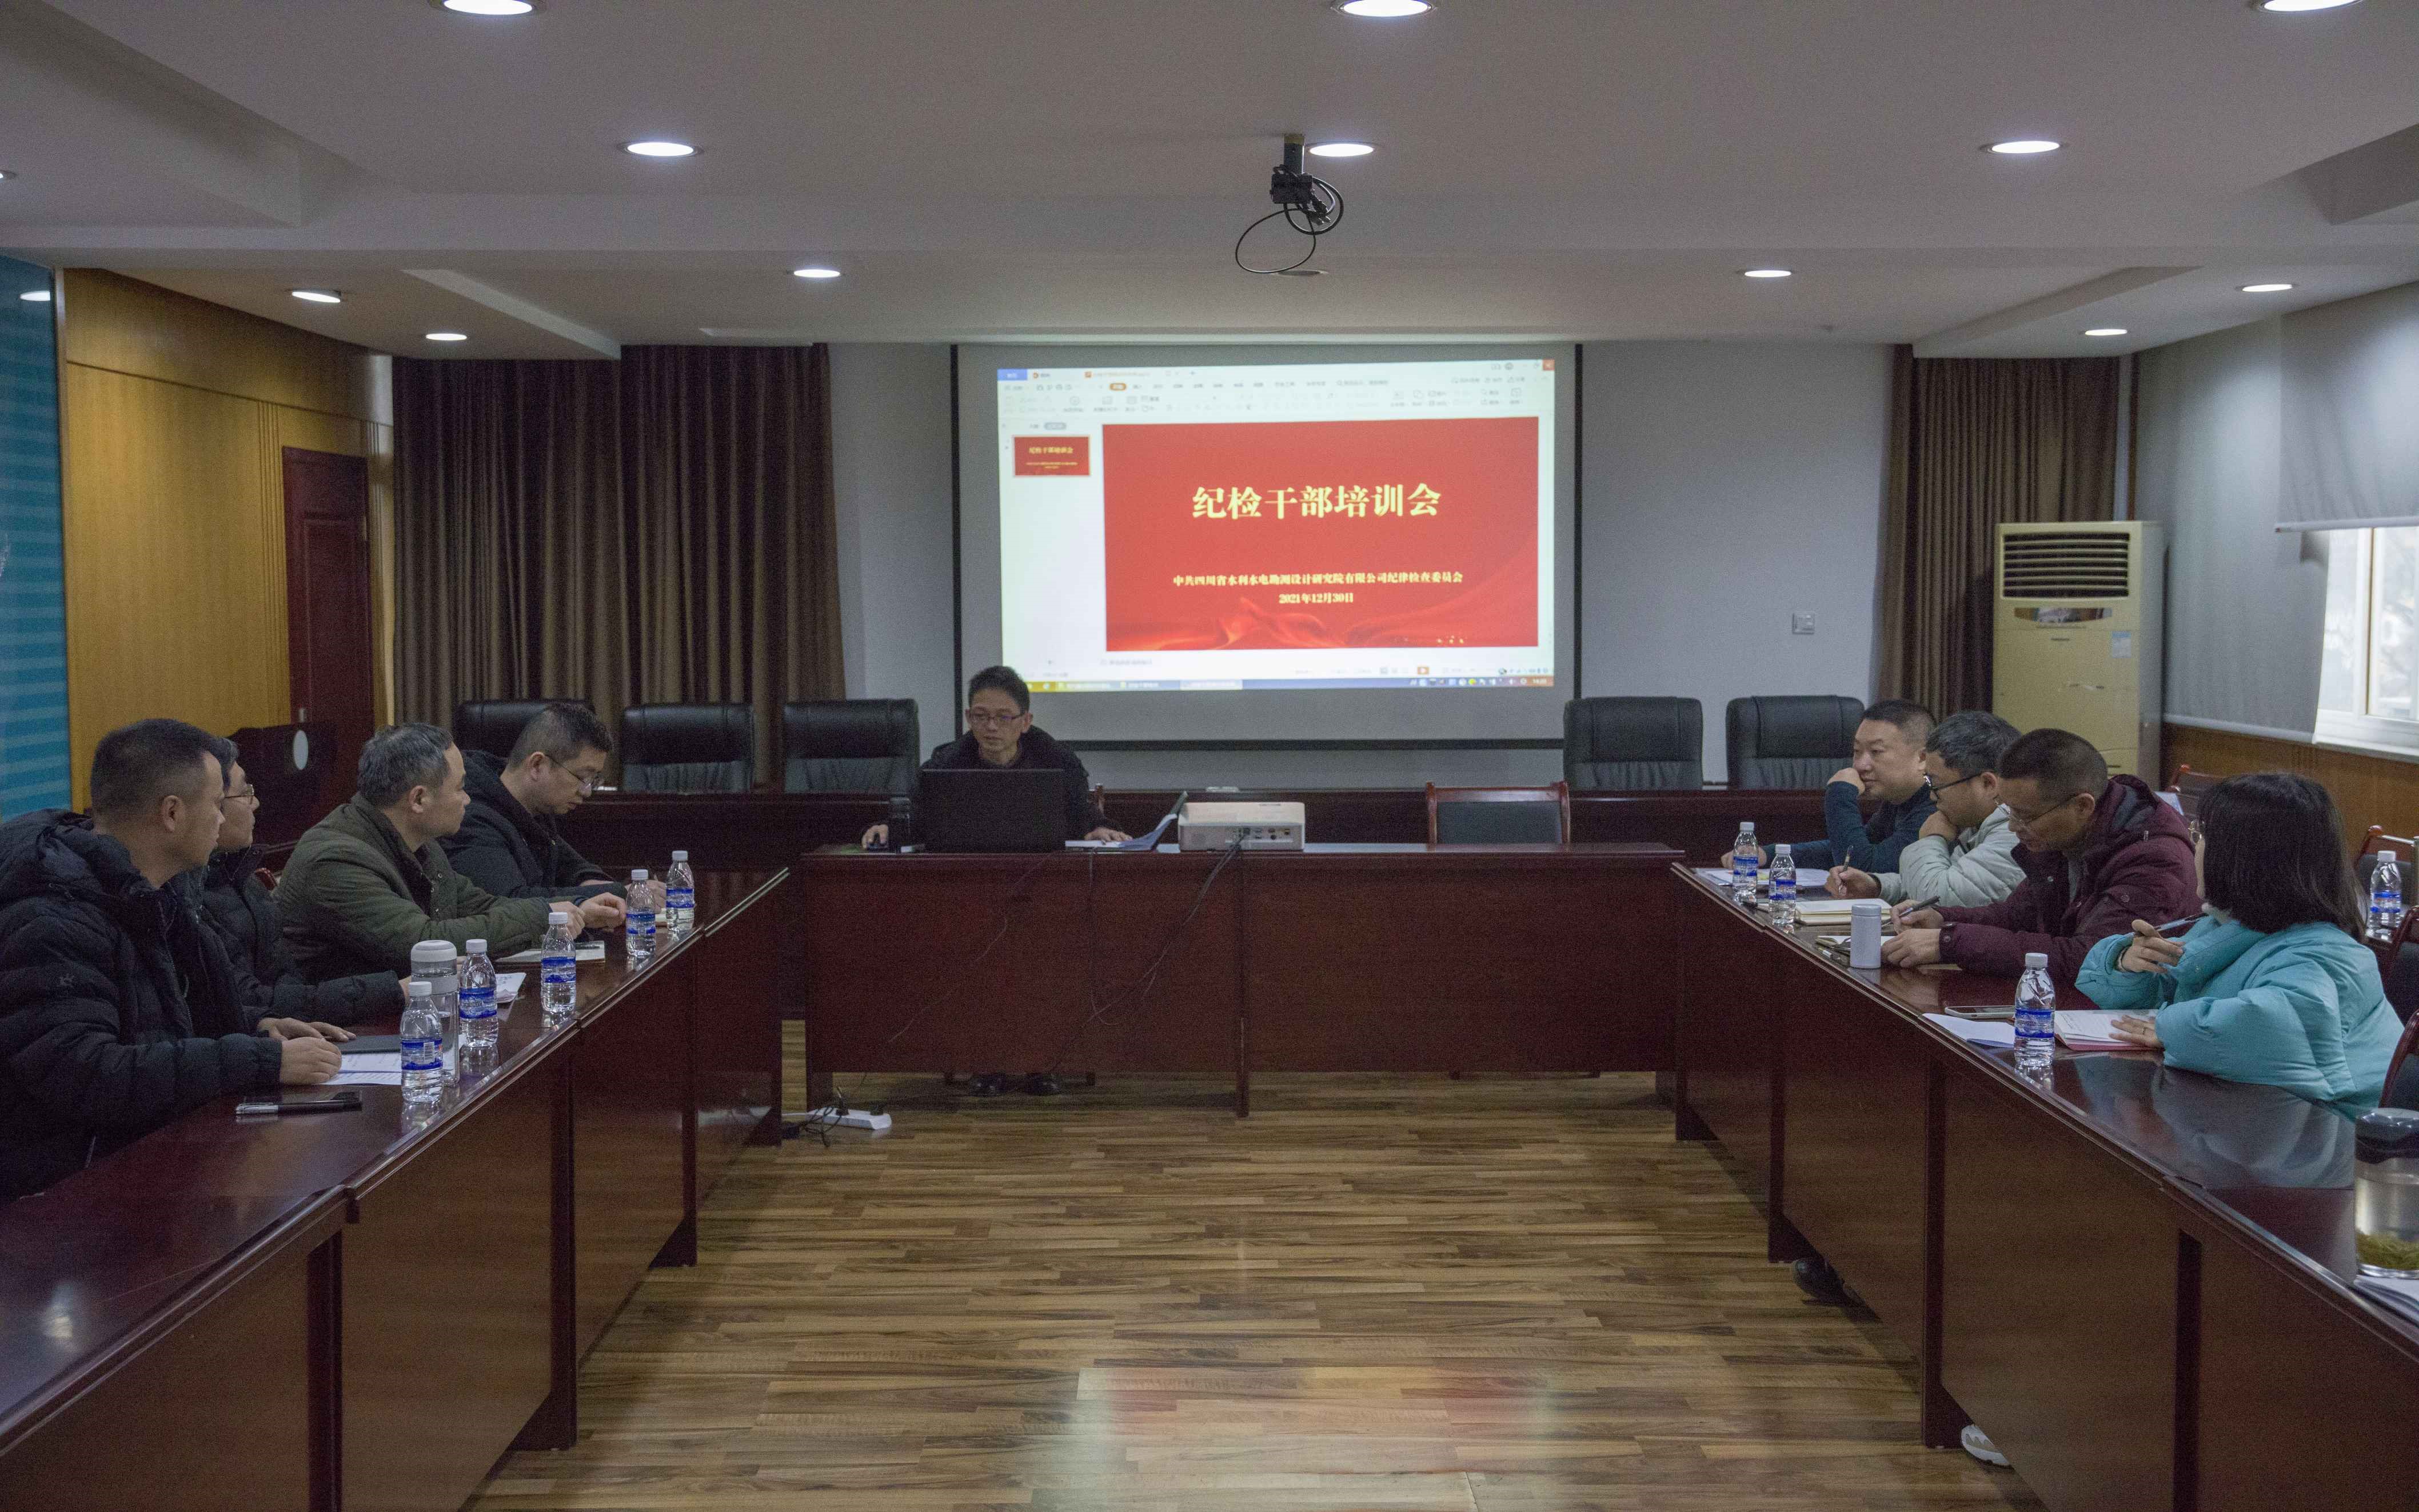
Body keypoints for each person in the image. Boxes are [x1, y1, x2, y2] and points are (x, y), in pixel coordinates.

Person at [0, 719, 338, 1201]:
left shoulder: (154, 894)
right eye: (217, 804)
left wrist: (254, 1026)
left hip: (149, 1158)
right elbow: (85, 1073)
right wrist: (259, 1060)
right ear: (173, 813)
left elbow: (156, 1025)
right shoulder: (53, 918)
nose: (222, 820)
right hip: (67, 1192)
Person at [2086, 772, 2401, 1117]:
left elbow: (2274, 1028)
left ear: (2243, 859)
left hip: (2340, 1135)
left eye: (2202, 836)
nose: (2195, 848)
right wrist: (2128, 964)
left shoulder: (2325, 954)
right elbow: (2167, 991)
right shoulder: (2226, 926)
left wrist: (2170, 1029)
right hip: (2264, 1120)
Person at [278, 723, 617, 982]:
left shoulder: (420, 844)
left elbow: (481, 905)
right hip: (337, 1032)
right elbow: (426, 943)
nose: (467, 799)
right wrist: (542, 915)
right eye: (459, 788)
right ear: (419, 799)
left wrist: (572, 910)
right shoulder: (336, 861)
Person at [1883, 728, 2199, 985]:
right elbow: (2019, 915)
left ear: (2082, 806)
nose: (2013, 826)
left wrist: (1951, 943)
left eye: (2025, 816)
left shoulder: (2154, 858)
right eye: (2009, 811)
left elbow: (2093, 956)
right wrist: (1944, 918)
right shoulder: (2067, 832)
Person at [196, 735, 401, 1033]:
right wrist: (395, 990)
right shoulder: (188, 895)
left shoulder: (242, 878)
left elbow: (285, 983)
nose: (256, 803)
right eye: (244, 793)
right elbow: (245, 999)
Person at [860, 665, 1131, 850]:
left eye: (1003, 717)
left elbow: (1080, 812)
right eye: (981, 716)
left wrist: (1098, 828)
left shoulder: (1056, 760)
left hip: (1043, 872)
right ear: (969, 718)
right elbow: (918, 812)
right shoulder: (946, 763)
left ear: (1025, 721)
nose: (991, 727)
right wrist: (888, 828)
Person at [442, 703, 626, 919]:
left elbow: (572, 867)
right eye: (582, 777)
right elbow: (512, 901)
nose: (586, 792)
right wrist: (621, 892)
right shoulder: (471, 817)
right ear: (537, 765)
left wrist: (595, 883)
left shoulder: (535, 806)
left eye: (593, 780)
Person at [1825, 710, 2024, 909]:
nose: (1932, 796)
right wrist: (1878, 886)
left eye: (1937, 784)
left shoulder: (2013, 835)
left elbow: (1939, 900)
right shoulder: (1977, 825)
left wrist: (1931, 839)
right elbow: (1947, 880)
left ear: (1988, 784)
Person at [1778, 699, 1938, 875]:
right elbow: (1847, 849)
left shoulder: (1936, 807)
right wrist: (1773, 854)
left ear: (1922, 758)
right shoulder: (1898, 800)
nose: (1860, 765)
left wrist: (1840, 794)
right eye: (1857, 751)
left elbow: (1861, 871)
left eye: (1876, 751)